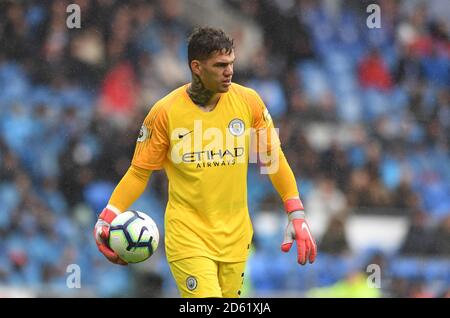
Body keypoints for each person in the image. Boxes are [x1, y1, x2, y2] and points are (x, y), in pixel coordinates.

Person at [94, 27, 317, 298]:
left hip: (237, 238)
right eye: (220, 65)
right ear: (197, 67)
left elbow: (273, 160)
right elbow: (139, 173)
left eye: (231, 63)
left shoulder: (249, 102)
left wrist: (296, 214)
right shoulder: (165, 112)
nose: (229, 72)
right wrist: (108, 216)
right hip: (188, 237)